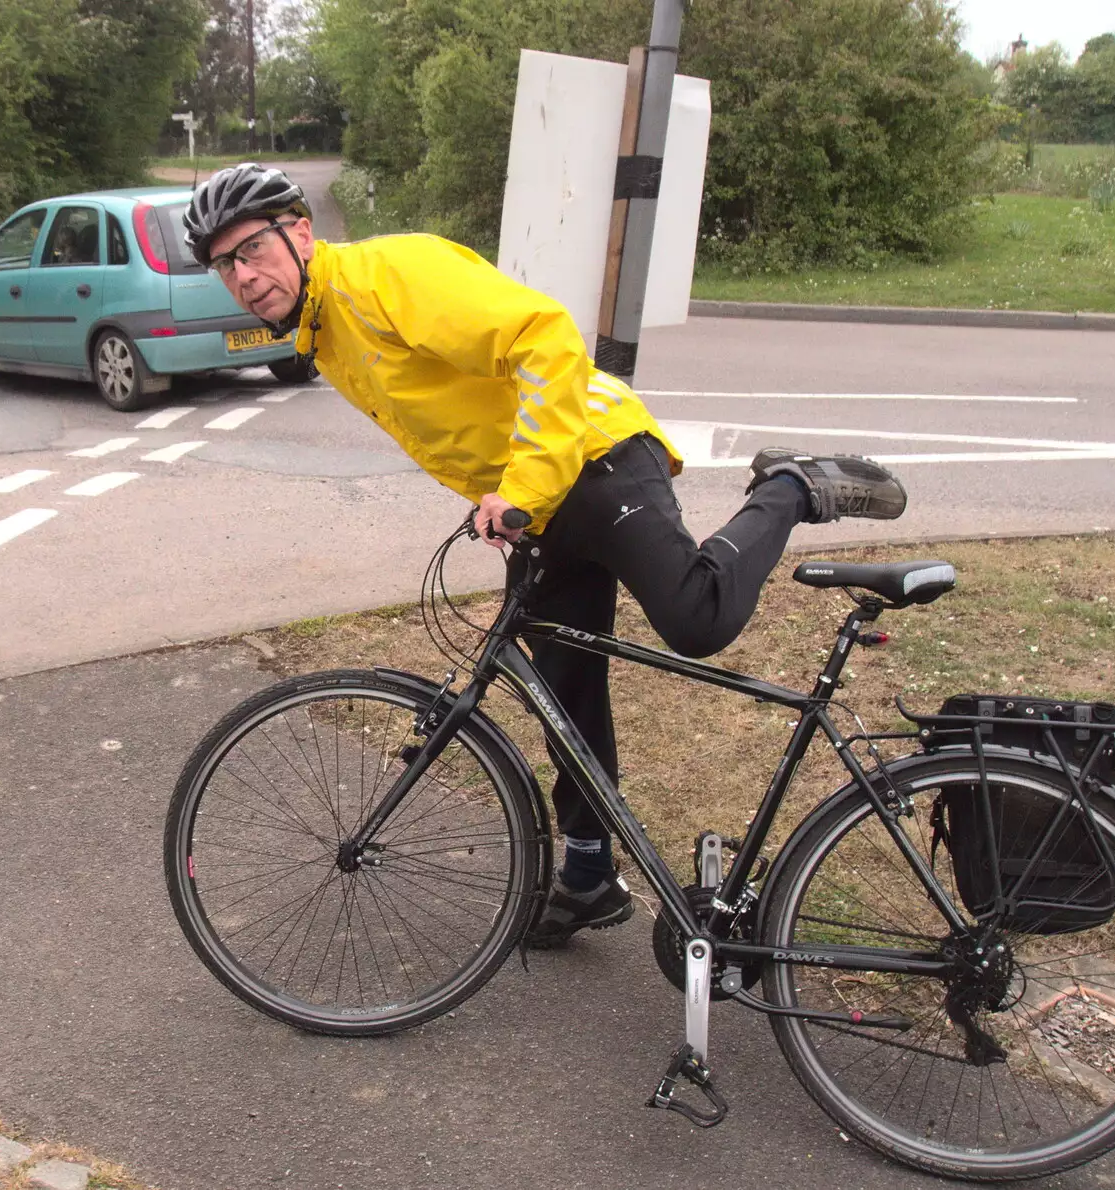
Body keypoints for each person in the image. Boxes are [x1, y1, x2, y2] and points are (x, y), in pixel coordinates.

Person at [183, 164, 908, 947]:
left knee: (698, 617)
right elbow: (459, 412)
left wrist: (522, 483)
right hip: (538, 502)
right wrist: (501, 499)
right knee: (563, 694)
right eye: (224, 264)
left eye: (252, 249)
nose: (242, 276)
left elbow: (544, 335)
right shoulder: (323, 330)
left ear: (300, 231)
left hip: (595, 460)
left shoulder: (385, 277)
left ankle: (792, 487)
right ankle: (590, 877)